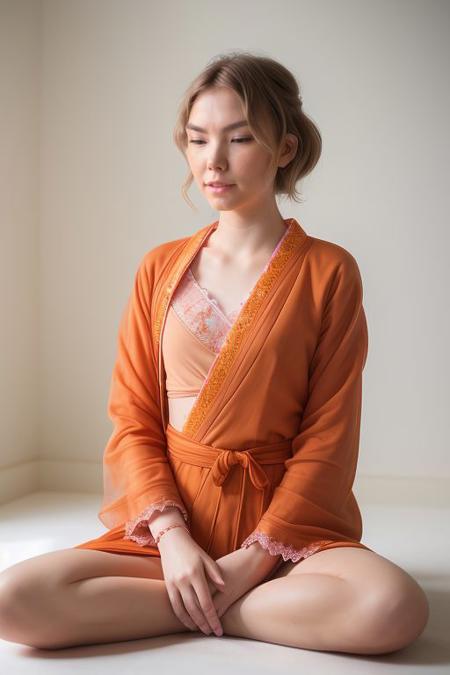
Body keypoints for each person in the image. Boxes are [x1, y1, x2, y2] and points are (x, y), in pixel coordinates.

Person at [0, 51, 429, 653]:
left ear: (284, 148)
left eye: (240, 138)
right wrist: (173, 537)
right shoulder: (160, 268)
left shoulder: (329, 270)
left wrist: (255, 559)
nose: (213, 161)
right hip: (172, 523)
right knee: (12, 602)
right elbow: (132, 418)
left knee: (392, 608)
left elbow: (330, 434)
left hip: (284, 532)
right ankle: (202, 597)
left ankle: (206, 603)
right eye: (198, 140)